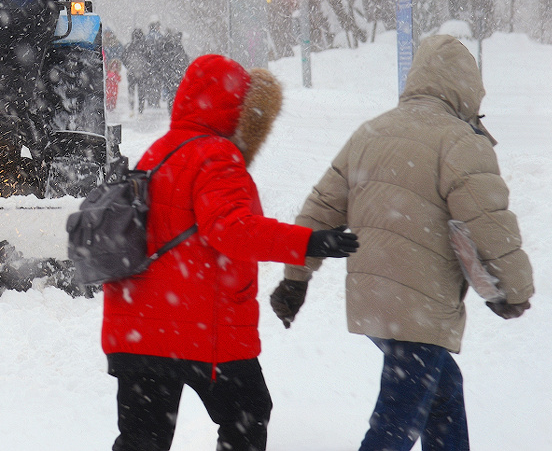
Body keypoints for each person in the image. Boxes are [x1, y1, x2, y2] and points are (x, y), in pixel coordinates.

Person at [269, 35, 534, 451]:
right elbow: (490, 225)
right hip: (420, 305)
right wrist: (514, 291)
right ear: (467, 87)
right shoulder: (461, 141)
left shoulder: (371, 132)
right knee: (396, 424)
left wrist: (295, 279)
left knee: (442, 391)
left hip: (375, 299)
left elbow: (319, 209)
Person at [101, 55, 359, 451]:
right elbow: (232, 230)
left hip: (138, 329)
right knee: (248, 416)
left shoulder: (159, 151)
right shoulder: (216, 155)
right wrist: (308, 241)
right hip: (202, 326)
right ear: (235, 107)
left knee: (142, 440)